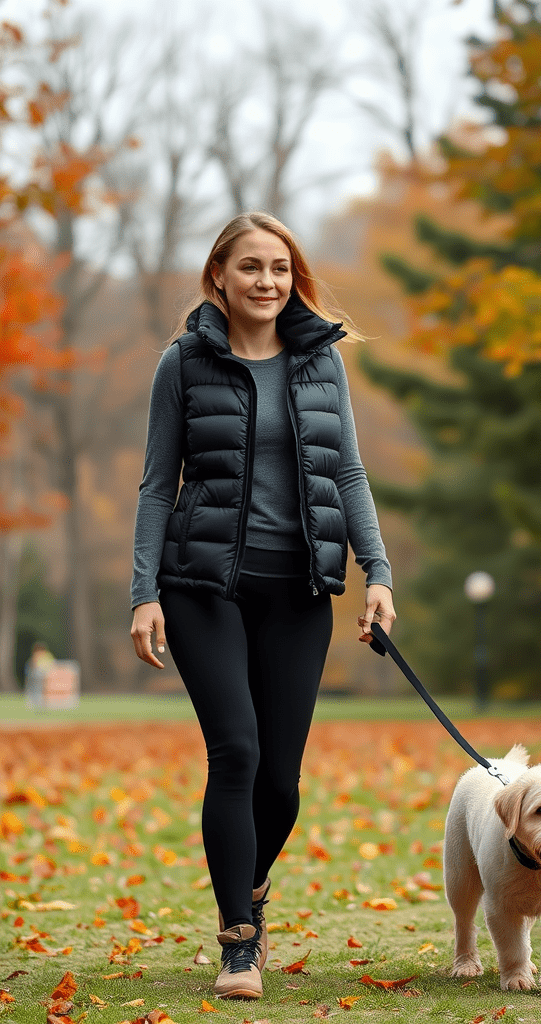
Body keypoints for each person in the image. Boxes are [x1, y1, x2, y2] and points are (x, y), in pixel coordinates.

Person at [130, 212, 395, 1000]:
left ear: (293, 276)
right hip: (204, 585)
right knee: (236, 755)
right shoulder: (183, 363)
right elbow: (155, 485)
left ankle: (246, 888)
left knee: (281, 781)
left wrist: (375, 570)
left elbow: (347, 472)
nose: (267, 282)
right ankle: (238, 943)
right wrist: (144, 592)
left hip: (299, 590)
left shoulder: (321, 362)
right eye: (251, 267)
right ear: (220, 275)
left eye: (280, 268)